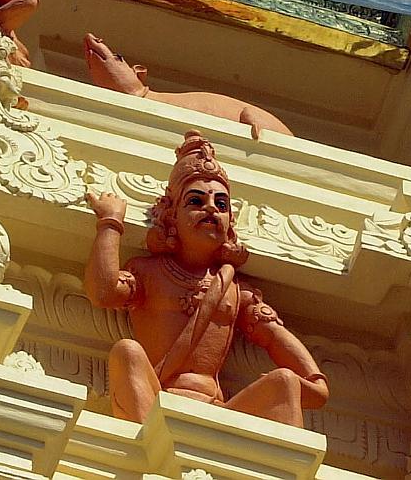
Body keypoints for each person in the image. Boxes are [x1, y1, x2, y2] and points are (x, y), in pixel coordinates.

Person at [83, 131, 328, 425]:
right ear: (171, 215)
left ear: (230, 223)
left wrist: (313, 383)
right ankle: (147, 446)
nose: (211, 208)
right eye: (196, 201)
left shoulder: (237, 292)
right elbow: (104, 293)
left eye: (221, 205)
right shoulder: (149, 273)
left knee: (284, 382)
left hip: (217, 410)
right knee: (127, 352)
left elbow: (302, 372)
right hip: (155, 399)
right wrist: (110, 224)